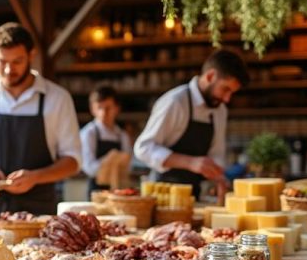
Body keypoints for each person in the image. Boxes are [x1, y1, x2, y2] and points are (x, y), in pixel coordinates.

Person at [0, 22, 82, 231]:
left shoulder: (57, 99)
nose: (9, 70)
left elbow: (72, 161)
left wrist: (36, 177)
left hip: (40, 213)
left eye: (17, 61)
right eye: (2, 62)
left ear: (31, 55)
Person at [134, 49, 249, 198]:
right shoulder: (175, 102)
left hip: (195, 195)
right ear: (210, 76)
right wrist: (190, 162)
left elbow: (216, 154)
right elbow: (143, 148)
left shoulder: (220, 110)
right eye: (225, 89)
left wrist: (218, 178)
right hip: (162, 195)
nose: (227, 99)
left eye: (231, 93)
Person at [80, 85, 133, 198]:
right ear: (92, 109)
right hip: (97, 191)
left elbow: (128, 165)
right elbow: (89, 167)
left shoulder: (122, 135)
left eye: (108, 108)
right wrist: (109, 160)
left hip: (117, 190)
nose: (103, 113)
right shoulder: (89, 133)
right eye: (99, 108)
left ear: (117, 109)